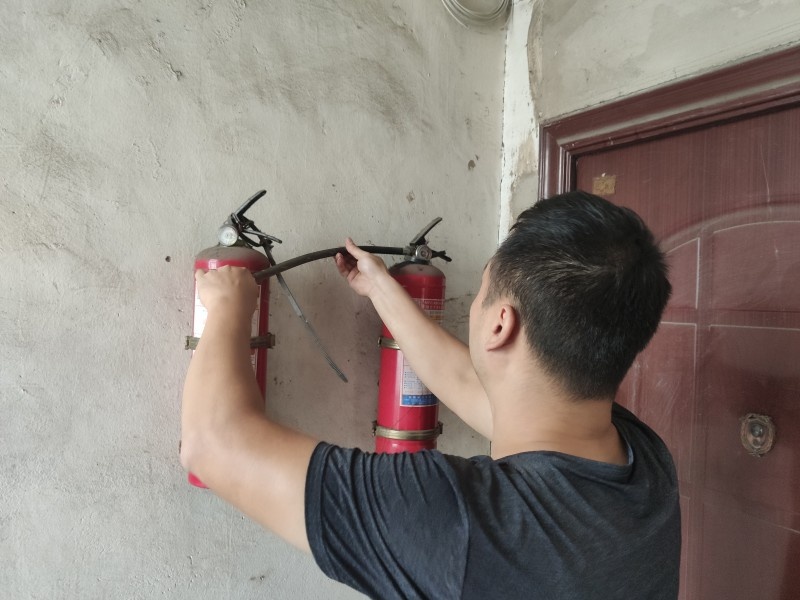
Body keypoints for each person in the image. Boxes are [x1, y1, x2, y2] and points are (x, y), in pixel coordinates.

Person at [180, 190, 680, 599]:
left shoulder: (456, 520)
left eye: (485, 291)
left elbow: (212, 444)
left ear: (500, 324)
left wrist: (227, 308)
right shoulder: (646, 464)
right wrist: (380, 290)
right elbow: (471, 384)